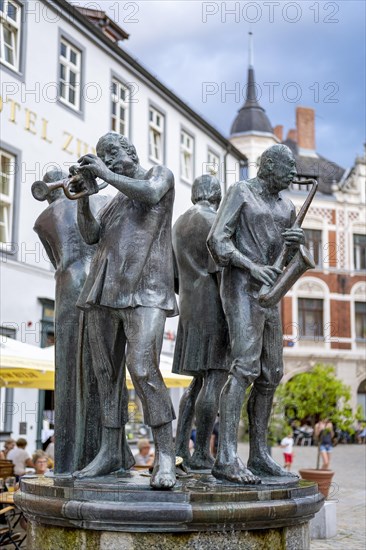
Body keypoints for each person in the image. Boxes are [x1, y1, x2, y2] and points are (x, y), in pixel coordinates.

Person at [73, 132, 178, 489]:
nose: (108, 161)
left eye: (112, 155)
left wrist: (103, 172)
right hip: (104, 292)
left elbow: (148, 195)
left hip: (146, 290)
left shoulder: (158, 176)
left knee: (143, 366)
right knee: (106, 373)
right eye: (103, 157)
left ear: (130, 151)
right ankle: (111, 451)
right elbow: (90, 236)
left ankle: (165, 454)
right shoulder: (114, 200)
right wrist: (84, 198)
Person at [207, 144, 304, 483]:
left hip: (271, 293)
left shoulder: (288, 206)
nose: (292, 173)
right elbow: (217, 241)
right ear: (268, 165)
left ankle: (260, 454)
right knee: (245, 366)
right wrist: (251, 266)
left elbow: (292, 259)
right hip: (241, 287)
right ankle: (227, 457)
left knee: (272, 372)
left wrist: (297, 242)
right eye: (288, 166)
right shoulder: (240, 192)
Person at [33, 169, 114, 474]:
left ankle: (68, 459)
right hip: (100, 282)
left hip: (68, 285)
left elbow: (57, 261)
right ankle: (102, 452)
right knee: (103, 366)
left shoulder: (44, 219)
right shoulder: (103, 200)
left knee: (67, 369)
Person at [173, 174, 229, 469]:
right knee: (216, 376)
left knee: (196, 380)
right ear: (215, 194)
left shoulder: (178, 224)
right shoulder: (214, 221)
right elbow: (223, 270)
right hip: (214, 306)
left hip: (189, 307)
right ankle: (202, 453)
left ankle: (180, 447)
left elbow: (172, 275)